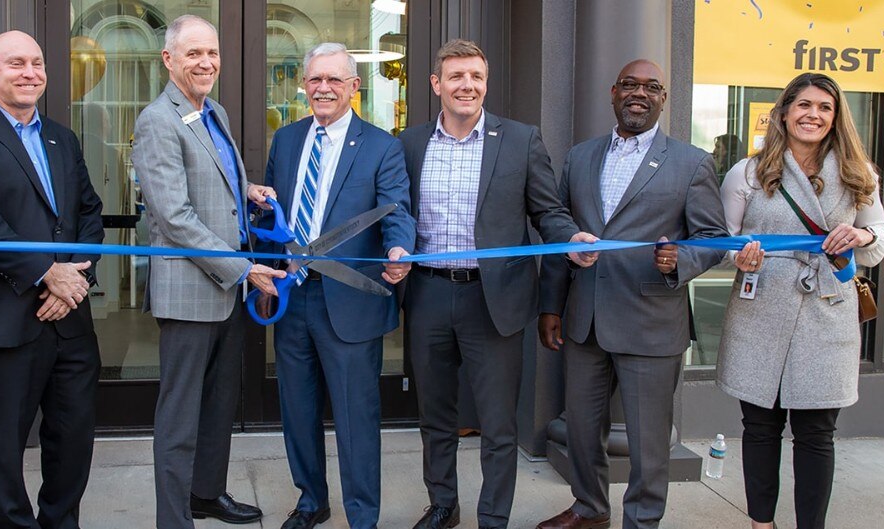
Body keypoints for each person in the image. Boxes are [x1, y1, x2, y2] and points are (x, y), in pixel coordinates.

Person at [396, 39, 593, 529]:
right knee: (435, 417)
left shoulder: (521, 139)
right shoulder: (410, 142)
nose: (467, 86)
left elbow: (548, 211)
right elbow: (396, 213)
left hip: (495, 301)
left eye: (476, 77)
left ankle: (493, 516)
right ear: (436, 84)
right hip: (428, 294)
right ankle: (443, 505)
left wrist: (571, 240)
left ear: (486, 83)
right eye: (457, 77)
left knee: (499, 424)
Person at [536, 59, 728, 529]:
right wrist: (550, 306)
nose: (639, 93)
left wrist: (679, 261)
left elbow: (713, 238)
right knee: (582, 431)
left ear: (664, 99)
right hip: (584, 320)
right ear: (613, 92)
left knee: (647, 442)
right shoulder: (580, 156)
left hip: (650, 321)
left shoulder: (691, 161)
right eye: (629, 85)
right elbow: (563, 231)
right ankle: (589, 509)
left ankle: (641, 521)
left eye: (651, 87)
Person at [0, 30, 105, 529]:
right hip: (1, 321)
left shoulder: (61, 137)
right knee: (2, 446)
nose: (29, 73)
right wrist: (47, 275)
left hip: (69, 320)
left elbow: (88, 213)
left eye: (36, 63)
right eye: (15, 64)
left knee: (73, 437)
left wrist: (71, 284)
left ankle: (60, 522)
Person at [716, 72, 884, 529]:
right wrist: (741, 258)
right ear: (785, 111)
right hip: (761, 309)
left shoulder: (858, 173)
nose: (813, 115)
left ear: (835, 118)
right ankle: (761, 524)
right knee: (760, 427)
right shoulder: (749, 173)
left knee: (816, 434)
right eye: (804, 105)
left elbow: (877, 247)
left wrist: (861, 233)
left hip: (826, 313)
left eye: (824, 108)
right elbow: (722, 243)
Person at [130, 14, 284, 529]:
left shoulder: (211, 110)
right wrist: (244, 269)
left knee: (219, 406)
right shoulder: (158, 119)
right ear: (168, 59)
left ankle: (206, 494)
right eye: (194, 53)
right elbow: (174, 216)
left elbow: (211, 177)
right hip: (191, 291)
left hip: (226, 291)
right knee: (179, 418)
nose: (207, 63)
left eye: (212, 53)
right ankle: (174, 519)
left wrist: (247, 191)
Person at [257, 42, 415, 529]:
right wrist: (264, 277)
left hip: (349, 301)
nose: (323, 88)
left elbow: (395, 209)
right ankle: (311, 502)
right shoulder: (284, 140)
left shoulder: (381, 145)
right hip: (293, 296)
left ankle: (362, 516)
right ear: (305, 86)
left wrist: (398, 250)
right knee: (298, 410)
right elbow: (269, 216)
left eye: (334, 80)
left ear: (353, 87)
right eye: (315, 80)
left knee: (355, 419)